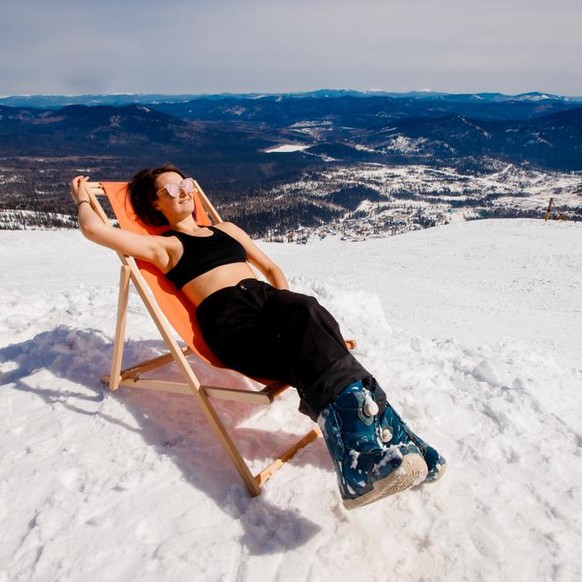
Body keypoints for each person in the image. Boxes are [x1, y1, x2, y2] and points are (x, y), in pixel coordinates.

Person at [70, 165, 446, 509]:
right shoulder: (166, 247)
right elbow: (95, 231)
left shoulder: (228, 229)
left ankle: (378, 453)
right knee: (307, 316)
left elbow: (270, 267)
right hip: (234, 324)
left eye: (185, 182)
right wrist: (84, 198)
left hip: (272, 308)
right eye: (171, 188)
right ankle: (379, 451)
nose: (184, 191)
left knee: (306, 309)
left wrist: (292, 311)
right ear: (156, 204)